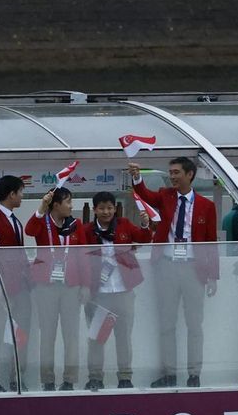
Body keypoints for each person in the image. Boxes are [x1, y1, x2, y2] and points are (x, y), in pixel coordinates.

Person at [131, 156, 219, 388]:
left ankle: (194, 374)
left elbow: (211, 241)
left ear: (190, 174)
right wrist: (137, 177)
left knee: (194, 324)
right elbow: (145, 195)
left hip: (194, 269)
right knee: (167, 323)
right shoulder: (165, 196)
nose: (172, 176)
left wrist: (213, 275)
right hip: (167, 266)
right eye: (170, 172)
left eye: (176, 172)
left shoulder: (206, 206)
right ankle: (169, 373)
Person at [78, 191, 153, 390]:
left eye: (110, 208)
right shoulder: (86, 231)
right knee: (96, 338)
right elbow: (79, 260)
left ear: (115, 208)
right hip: (98, 294)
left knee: (124, 337)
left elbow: (145, 238)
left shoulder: (124, 225)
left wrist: (146, 224)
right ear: (94, 210)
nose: (106, 212)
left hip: (123, 291)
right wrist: (84, 286)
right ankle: (95, 377)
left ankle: (125, 377)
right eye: (101, 208)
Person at [25, 186, 85, 391]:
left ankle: (69, 379)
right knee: (47, 335)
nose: (71, 206)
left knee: (71, 335)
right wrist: (41, 208)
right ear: (56, 204)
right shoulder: (42, 222)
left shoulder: (77, 225)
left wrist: (85, 285)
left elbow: (84, 257)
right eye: (68, 202)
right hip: (46, 286)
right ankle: (48, 380)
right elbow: (29, 230)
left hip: (71, 287)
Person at [0, 175, 31, 393]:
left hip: (20, 286)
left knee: (21, 334)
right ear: (11, 194)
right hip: (1, 287)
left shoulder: (14, 220)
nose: (22, 196)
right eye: (20, 192)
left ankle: (17, 378)